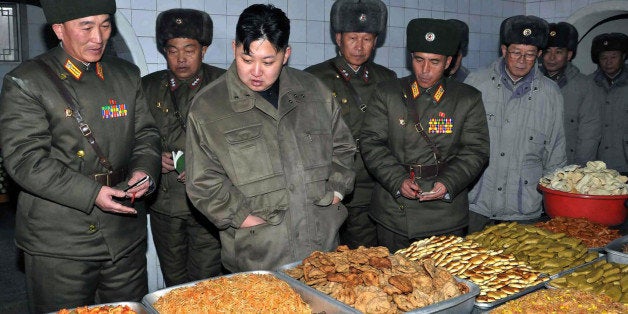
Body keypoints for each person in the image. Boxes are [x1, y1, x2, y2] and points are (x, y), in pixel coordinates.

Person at [0, 0, 161, 312]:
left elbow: (147, 134)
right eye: (86, 26)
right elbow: (25, 160)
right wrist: (92, 193)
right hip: (60, 239)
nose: (98, 36)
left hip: (123, 233)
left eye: (104, 24)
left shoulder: (126, 75)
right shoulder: (28, 81)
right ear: (59, 30)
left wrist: (146, 170)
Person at [185, 4, 356, 272]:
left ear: (285, 55)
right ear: (234, 48)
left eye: (267, 62)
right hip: (259, 255)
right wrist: (242, 218)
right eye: (246, 59)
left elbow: (344, 147)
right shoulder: (208, 107)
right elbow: (202, 182)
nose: (256, 71)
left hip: (322, 250)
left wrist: (335, 190)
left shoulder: (314, 93)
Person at [359, 18, 490, 253]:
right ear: (411, 58)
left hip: (445, 213)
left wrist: (448, 183)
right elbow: (371, 142)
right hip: (395, 209)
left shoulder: (466, 99)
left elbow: (476, 151)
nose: (425, 70)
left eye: (434, 62)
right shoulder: (388, 93)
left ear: (449, 62)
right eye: (419, 60)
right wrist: (397, 180)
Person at [141, 9, 224, 286]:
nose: (181, 58)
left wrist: (207, 163)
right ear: (164, 51)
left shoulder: (226, 86)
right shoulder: (146, 87)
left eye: (189, 49)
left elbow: (243, 142)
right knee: (174, 282)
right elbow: (135, 137)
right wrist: (153, 158)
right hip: (165, 205)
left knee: (207, 282)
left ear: (204, 49)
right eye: (173, 50)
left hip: (210, 203)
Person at [304, 0, 396, 249]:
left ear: (375, 42)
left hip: (372, 187)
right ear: (338, 38)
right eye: (353, 38)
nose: (359, 46)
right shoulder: (313, 78)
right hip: (329, 184)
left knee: (365, 256)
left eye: (367, 39)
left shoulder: (387, 79)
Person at [465, 15, 567, 233]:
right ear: (504, 50)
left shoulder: (550, 93)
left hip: (523, 207)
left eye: (530, 55)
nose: (522, 60)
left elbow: (555, 152)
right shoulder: (476, 83)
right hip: (476, 202)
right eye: (516, 52)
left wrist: (553, 205)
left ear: (538, 55)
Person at [541, 22, 601, 165]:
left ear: (569, 55)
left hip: (568, 164)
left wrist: (580, 168)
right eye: (547, 51)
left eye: (559, 52)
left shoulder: (585, 86)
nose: (552, 57)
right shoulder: (530, 82)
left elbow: (590, 132)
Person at [589, 32, 628, 175]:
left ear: (623, 57)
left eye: (613, 57)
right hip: (596, 165)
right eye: (603, 57)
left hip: (624, 162)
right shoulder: (588, 85)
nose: (608, 62)